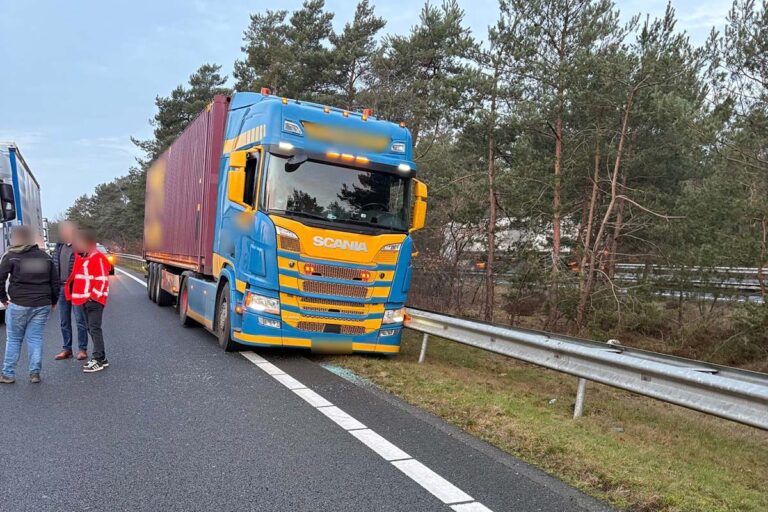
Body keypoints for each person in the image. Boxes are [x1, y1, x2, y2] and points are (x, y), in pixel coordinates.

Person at [0, 225, 60, 384]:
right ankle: (34, 373)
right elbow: (54, 281)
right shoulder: (44, 257)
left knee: (13, 339)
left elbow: (0, 279)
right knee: (35, 338)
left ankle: (8, 374)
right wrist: (54, 301)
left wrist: (3, 299)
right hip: (42, 304)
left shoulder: (11, 256)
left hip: (19, 303)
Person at [66, 228, 111, 373]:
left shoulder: (96, 257)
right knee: (91, 328)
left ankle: (98, 359)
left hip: (93, 301)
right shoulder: (83, 256)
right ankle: (101, 358)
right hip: (84, 300)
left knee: (94, 329)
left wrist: (93, 297)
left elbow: (102, 280)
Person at [52, 220, 89, 361]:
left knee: (80, 319)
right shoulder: (59, 247)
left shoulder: (80, 246)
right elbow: (54, 266)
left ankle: (82, 349)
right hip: (61, 288)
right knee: (64, 320)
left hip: (76, 287)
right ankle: (67, 349)